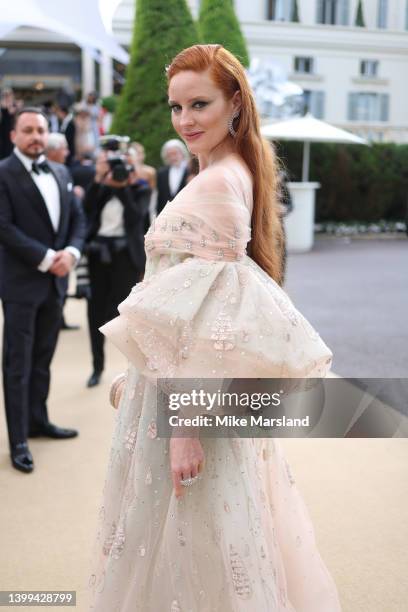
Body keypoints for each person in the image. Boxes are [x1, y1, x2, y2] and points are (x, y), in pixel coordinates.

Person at [87, 45, 342, 611]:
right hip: (187, 395)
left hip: (187, 405)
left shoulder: (219, 185)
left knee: (191, 538)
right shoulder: (234, 171)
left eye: (199, 104)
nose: (185, 121)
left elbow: (217, 325)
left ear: (235, 105)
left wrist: (183, 429)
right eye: (176, 107)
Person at [0, 107, 86, 474]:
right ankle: (18, 439)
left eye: (40, 130)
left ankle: (38, 420)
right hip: (21, 283)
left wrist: (71, 253)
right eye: (28, 130)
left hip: (56, 281)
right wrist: (48, 257)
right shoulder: (3, 174)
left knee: (43, 357)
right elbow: (3, 226)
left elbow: (78, 219)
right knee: (18, 364)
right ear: (14, 136)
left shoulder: (61, 170)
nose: (36, 136)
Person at [83, 149, 151, 388]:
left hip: (125, 258)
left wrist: (123, 188)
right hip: (98, 255)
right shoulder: (100, 187)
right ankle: (96, 366)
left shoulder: (140, 189)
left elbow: (135, 217)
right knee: (95, 312)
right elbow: (87, 207)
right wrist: (101, 179)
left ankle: (133, 372)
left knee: (127, 315)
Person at [156, 138, 190, 216]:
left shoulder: (191, 170)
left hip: (186, 214)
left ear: (182, 153)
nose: (173, 157)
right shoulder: (162, 173)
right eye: (169, 155)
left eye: (175, 153)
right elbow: (160, 198)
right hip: (167, 215)